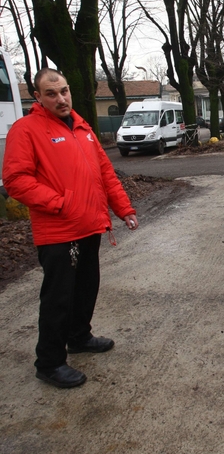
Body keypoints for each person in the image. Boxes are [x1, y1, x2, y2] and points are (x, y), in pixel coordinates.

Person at [2, 68, 139, 389]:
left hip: (90, 225)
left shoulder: (82, 127)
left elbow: (105, 174)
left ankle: (79, 337)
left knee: (86, 287)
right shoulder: (27, 130)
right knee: (58, 298)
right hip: (58, 231)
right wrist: (59, 203)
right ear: (37, 97)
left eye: (64, 91)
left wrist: (124, 209)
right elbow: (16, 180)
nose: (61, 98)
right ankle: (49, 362)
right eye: (51, 94)